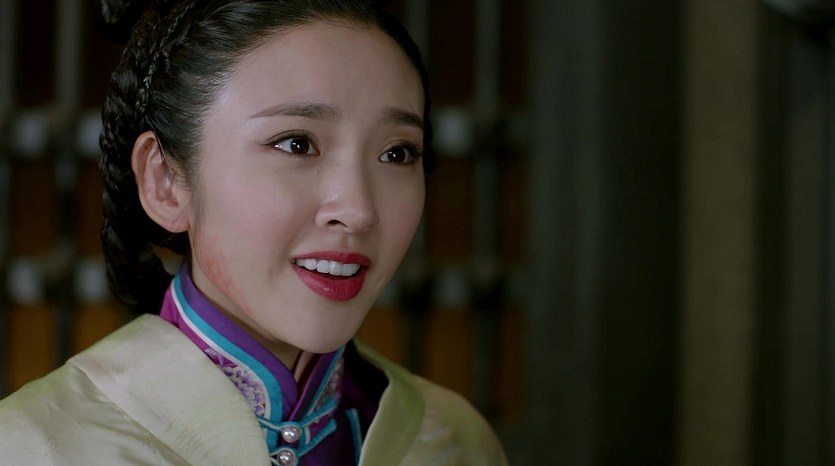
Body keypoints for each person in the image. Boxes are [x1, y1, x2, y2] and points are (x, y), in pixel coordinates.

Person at [0, 0, 508, 464]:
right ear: (165, 182)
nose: (358, 210)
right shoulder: (37, 445)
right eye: (296, 144)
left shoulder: (453, 442)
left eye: (397, 153)